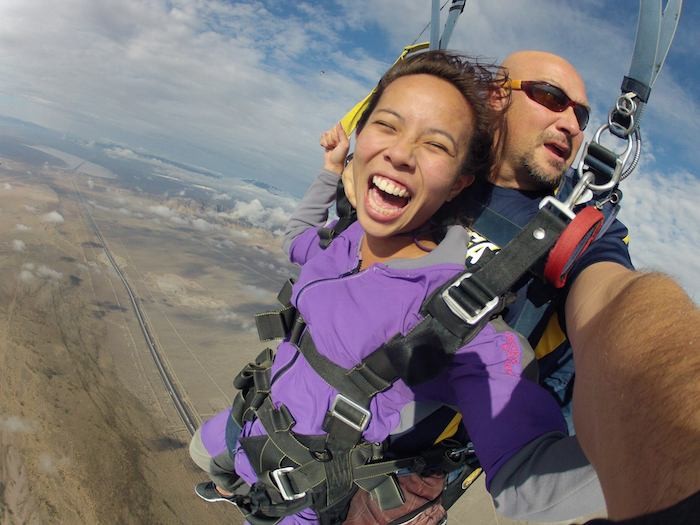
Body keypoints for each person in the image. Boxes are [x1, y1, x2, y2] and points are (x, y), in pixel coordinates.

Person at [189, 50, 605, 524]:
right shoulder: (343, 239)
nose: (400, 153)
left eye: (436, 145)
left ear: (457, 184)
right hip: (249, 422)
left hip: (299, 497)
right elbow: (295, 241)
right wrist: (330, 171)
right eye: (387, 125)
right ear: (360, 139)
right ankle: (228, 478)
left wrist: (670, 462)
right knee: (201, 451)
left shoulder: (452, 321)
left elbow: (530, 485)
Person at [341, 50, 699, 523]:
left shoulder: (578, 228)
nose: (573, 124)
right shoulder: (431, 165)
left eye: (581, 115)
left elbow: (615, 300)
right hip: (307, 401)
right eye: (551, 97)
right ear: (495, 98)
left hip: (399, 473)